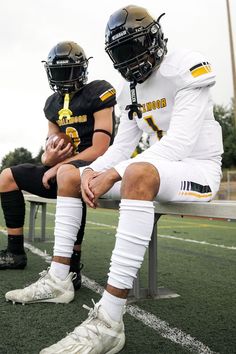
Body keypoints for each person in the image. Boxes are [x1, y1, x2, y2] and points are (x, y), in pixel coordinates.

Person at [12, 4, 224, 353]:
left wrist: (114, 172)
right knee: (68, 174)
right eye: (122, 52)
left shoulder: (186, 66)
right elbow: (120, 146)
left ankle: (109, 321)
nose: (130, 60)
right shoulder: (129, 91)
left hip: (195, 169)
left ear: (154, 39)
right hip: (156, 170)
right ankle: (59, 278)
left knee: (137, 171)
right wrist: (92, 171)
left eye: (134, 47)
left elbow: (180, 144)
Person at [1, 41, 116, 294]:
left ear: (82, 70)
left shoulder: (98, 92)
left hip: (95, 169)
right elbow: (46, 156)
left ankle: (71, 267)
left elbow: (100, 149)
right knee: (7, 177)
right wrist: (49, 159)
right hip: (65, 168)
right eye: (59, 73)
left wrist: (58, 166)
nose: (64, 78)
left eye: (69, 71)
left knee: (68, 177)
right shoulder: (53, 103)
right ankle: (15, 251)